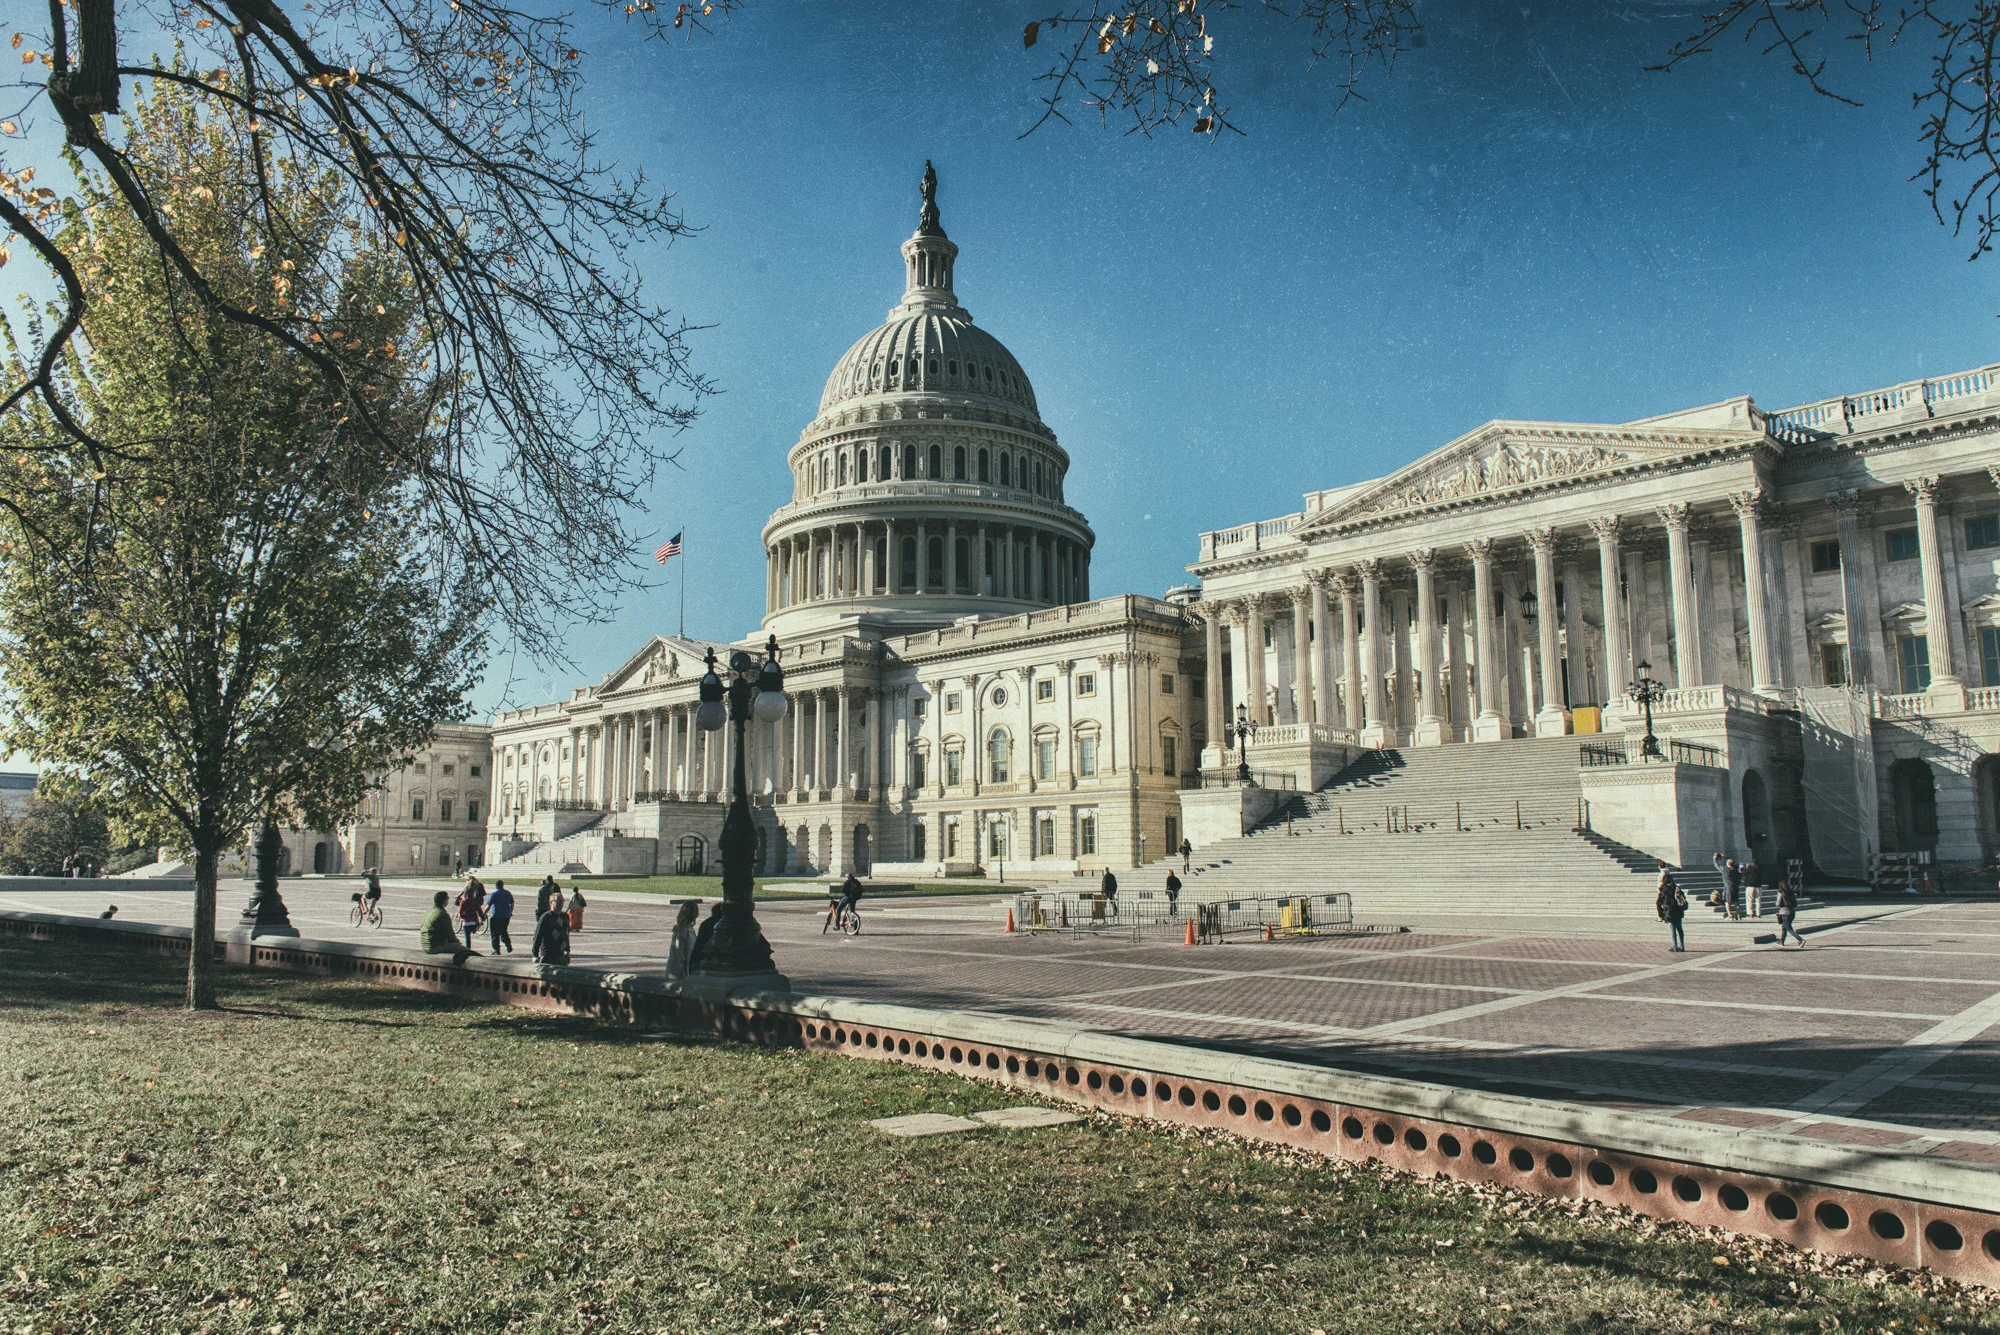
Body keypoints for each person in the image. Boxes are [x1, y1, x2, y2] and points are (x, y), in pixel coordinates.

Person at [420, 890, 464, 955]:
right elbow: (450, 934)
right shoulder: (442, 914)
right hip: (435, 946)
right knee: (465, 951)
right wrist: (457, 943)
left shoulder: (428, 912)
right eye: (447, 899)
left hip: (425, 944)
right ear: (444, 901)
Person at [1656, 861, 1687, 952]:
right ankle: (1682, 946)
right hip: (1678, 911)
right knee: (1680, 929)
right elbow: (1682, 897)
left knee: (1672, 930)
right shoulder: (1676, 887)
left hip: (1669, 912)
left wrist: (1660, 915)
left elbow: (1658, 902)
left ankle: (1674, 946)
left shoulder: (1663, 889)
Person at [665, 899, 700, 979]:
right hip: (677, 971)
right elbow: (680, 952)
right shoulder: (681, 930)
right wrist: (684, 972)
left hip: (687, 967)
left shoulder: (689, 928)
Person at [531, 895, 571, 965]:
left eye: (562, 901)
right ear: (551, 902)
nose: (560, 903)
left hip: (561, 955)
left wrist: (567, 950)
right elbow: (538, 936)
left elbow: (565, 934)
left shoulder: (564, 916)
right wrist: (535, 954)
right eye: (557, 901)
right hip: (548, 956)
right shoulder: (546, 917)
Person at [486, 879, 515, 954]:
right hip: (506, 916)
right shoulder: (508, 893)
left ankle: (496, 949)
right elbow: (512, 903)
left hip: (496, 915)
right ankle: (508, 945)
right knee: (503, 931)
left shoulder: (494, 894)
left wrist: (483, 913)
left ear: (496, 886)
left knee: (495, 933)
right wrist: (510, 912)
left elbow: (488, 905)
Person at [456, 880, 485, 949]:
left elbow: (461, 911)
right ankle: (474, 929)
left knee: (467, 938)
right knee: (473, 929)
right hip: (474, 921)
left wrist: (462, 917)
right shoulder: (475, 901)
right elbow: (479, 911)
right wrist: (483, 918)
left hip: (466, 922)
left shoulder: (463, 902)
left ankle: (468, 949)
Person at [1775, 880, 1804, 949]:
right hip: (1791, 912)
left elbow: (1778, 904)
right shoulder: (1791, 893)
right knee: (1784, 927)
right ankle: (1781, 941)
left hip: (1784, 912)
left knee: (1789, 929)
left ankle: (1800, 940)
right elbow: (1795, 903)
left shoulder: (1781, 893)